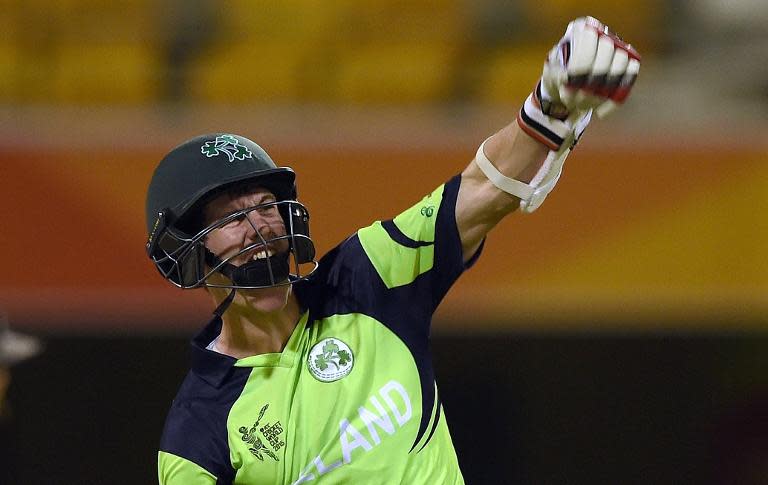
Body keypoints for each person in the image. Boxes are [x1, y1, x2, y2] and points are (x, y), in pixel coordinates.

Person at [146, 17, 640, 485]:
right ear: (187, 250)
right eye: (231, 218)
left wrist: (550, 104)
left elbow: (481, 193)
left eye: (266, 205)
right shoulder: (195, 435)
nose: (258, 227)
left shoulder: (366, 277)